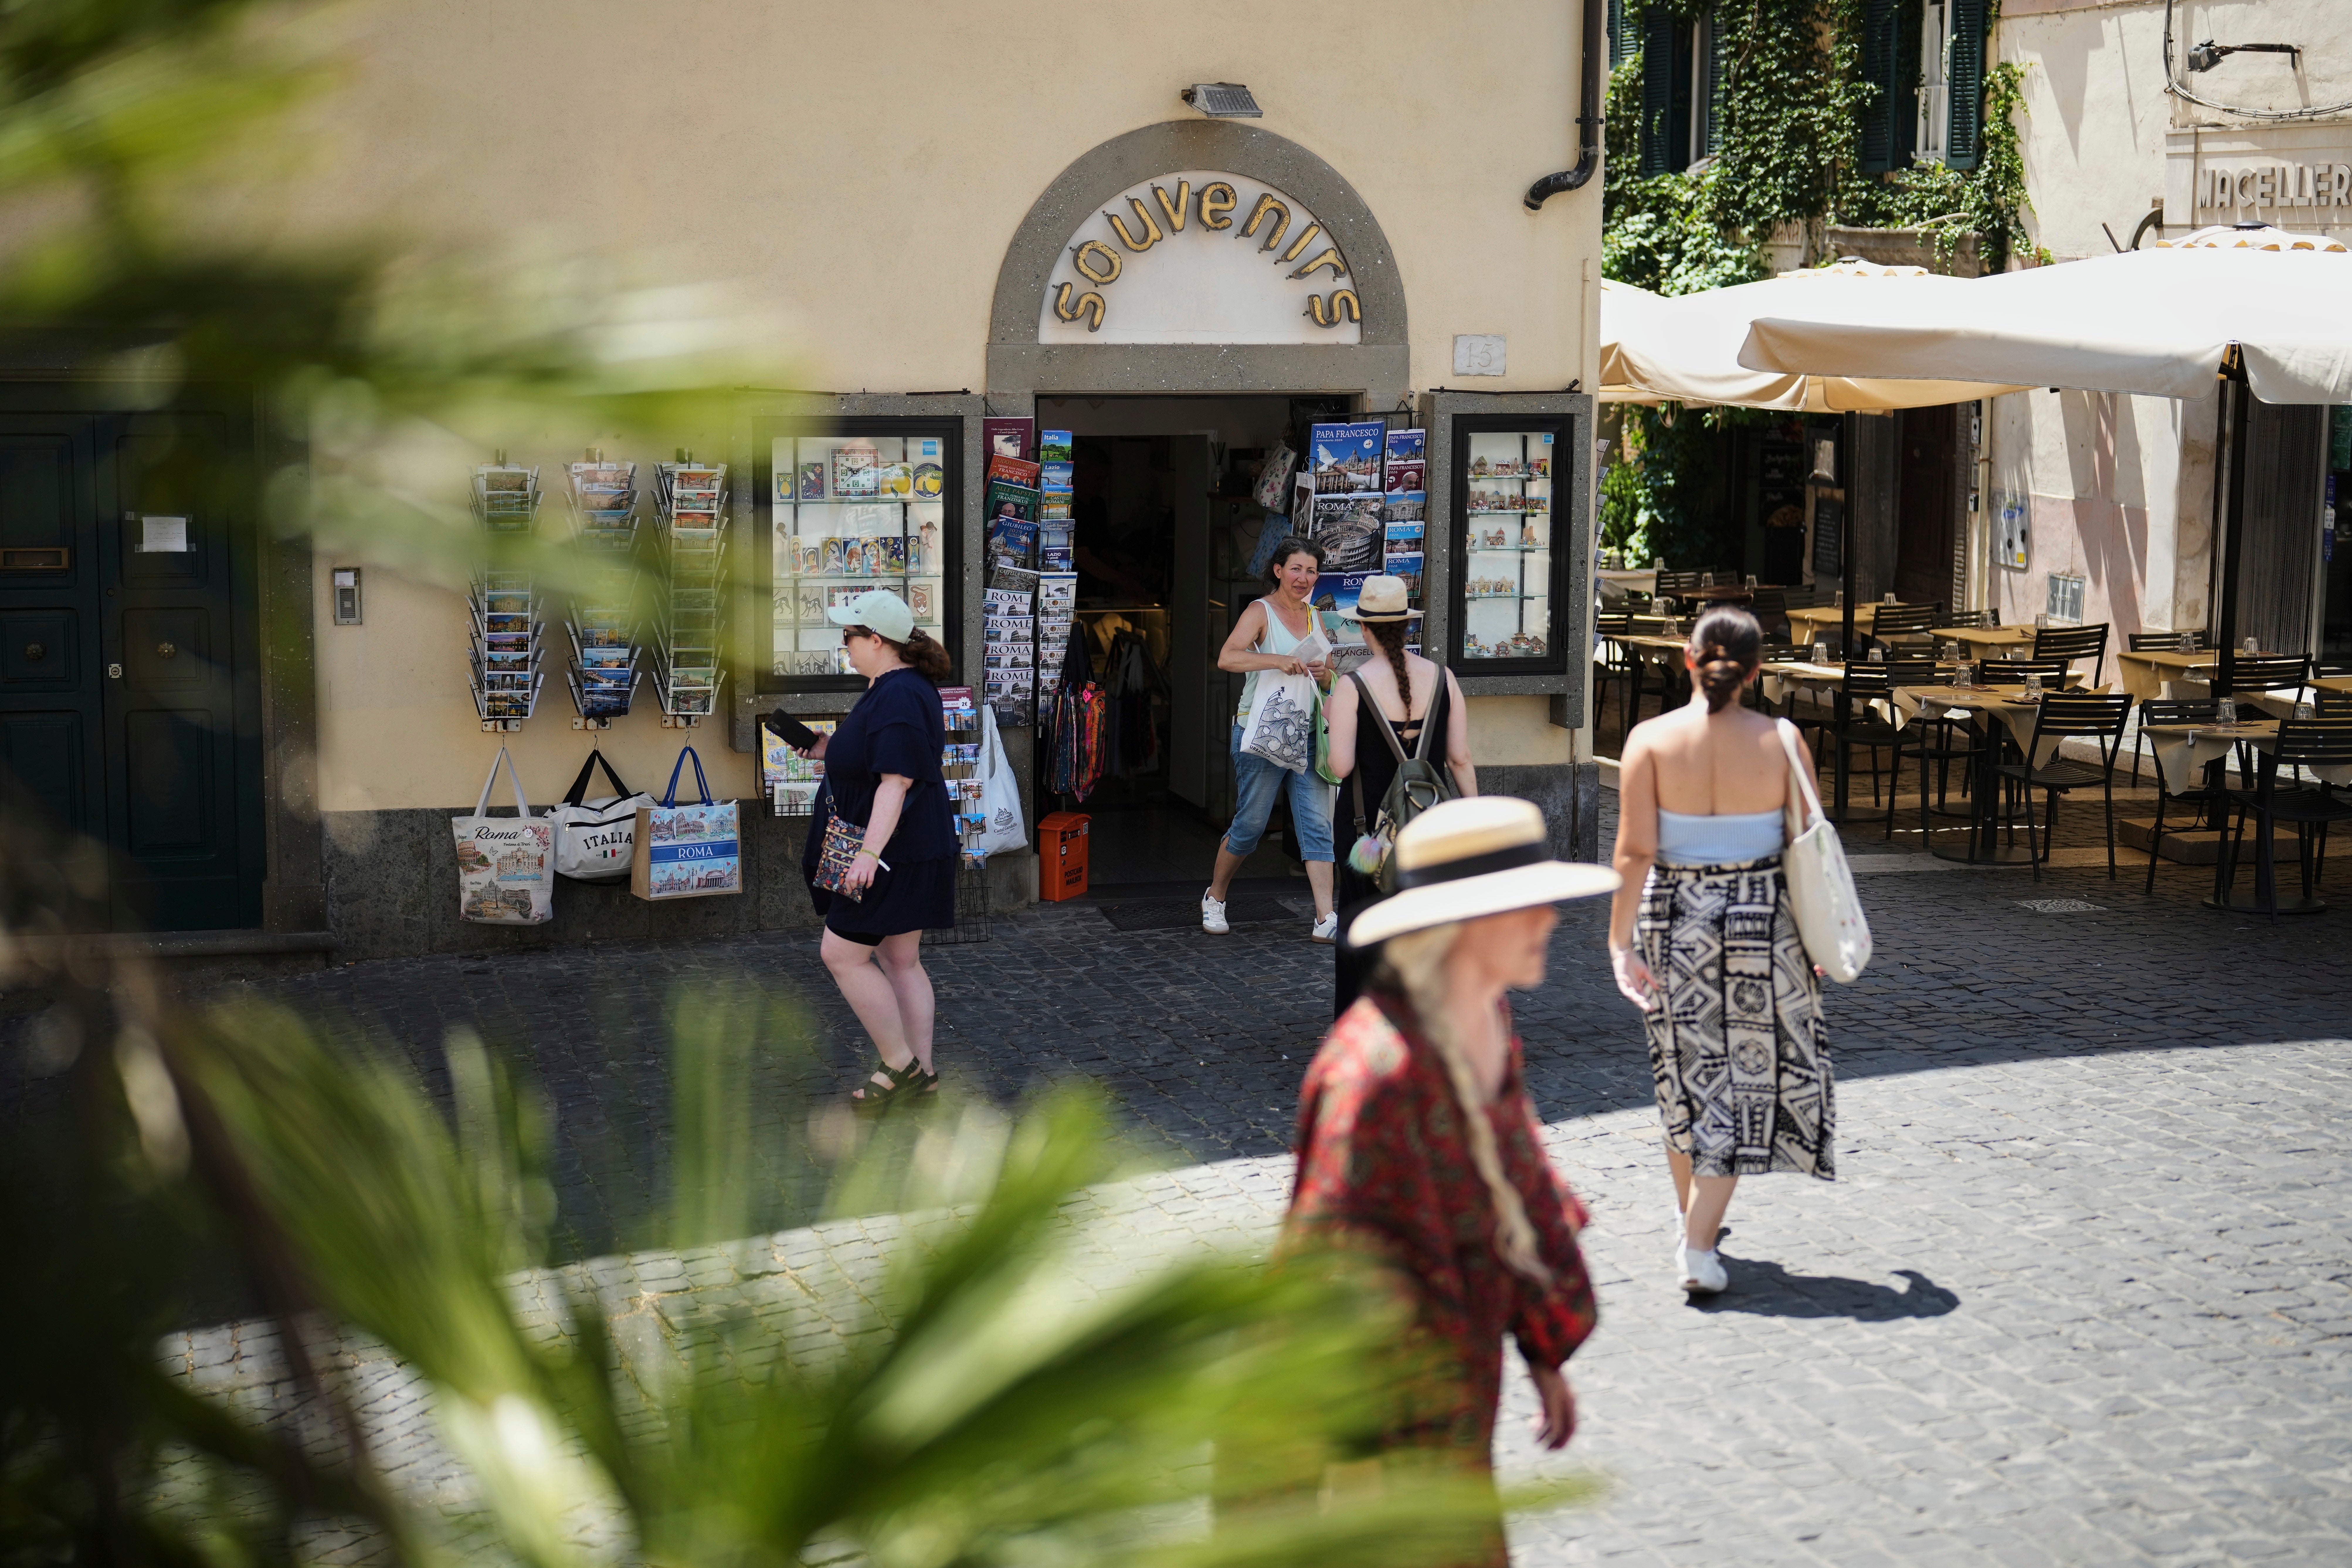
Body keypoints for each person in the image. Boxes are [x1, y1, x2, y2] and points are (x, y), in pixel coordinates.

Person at [1280, 797, 1618, 1566]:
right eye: (1527, 905)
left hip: (1460, 1404)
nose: (1550, 922)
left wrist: (1542, 1350)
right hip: (1383, 1446)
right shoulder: (1374, 1079)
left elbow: (1519, 1180)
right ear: (1467, 924)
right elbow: (1322, 1297)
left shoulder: (1483, 1015)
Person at [1605, 605, 1836, 1296]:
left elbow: (1635, 850)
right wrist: (1818, 937)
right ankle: (1699, 1244)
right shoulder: (1785, 741)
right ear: (1758, 670)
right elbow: (1812, 846)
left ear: (1687, 659)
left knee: (1683, 1073)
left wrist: (1619, 942)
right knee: (1744, 1083)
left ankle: (1692, 1220)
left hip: (1673, 920)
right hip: (1764, 926)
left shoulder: (1648, 741)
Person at [797, 588, 959, 1112]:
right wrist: (827, 749)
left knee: (841, 954)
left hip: (891, 852)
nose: (844, 645)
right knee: (899, 958)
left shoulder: (897, 694)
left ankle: (900, 1065)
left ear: (876, 640)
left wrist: (866, 856)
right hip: (905, 847)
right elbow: (877, 759)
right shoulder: (892, 688)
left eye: (849, 636)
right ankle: (924, 1074)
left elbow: (896, 782)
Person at [1322, 574, 1476, 1017]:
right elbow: (1460, 758)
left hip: (1366, 832)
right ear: (1407, 627)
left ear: (1363, 628)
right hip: (1429, 826)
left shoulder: (1352, 686)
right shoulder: (1443, 678)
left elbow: (1340, 767)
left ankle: (1362, 1024)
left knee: (1360, 925)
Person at [1204, 534, 1338, 942]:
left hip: (1307, 732)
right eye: (1295, 568)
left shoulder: (1317, 616)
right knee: (1251, 824)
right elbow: (1228, 657)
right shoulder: (1259, 611)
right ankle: (1216, 896)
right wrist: (1278, 661)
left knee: (1316, 824)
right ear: (1278, 570)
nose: (1303, 577)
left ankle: (1325, 916)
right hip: (1260, 730)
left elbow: (1331, 674)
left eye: (1311, 570)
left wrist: (1325, 674)